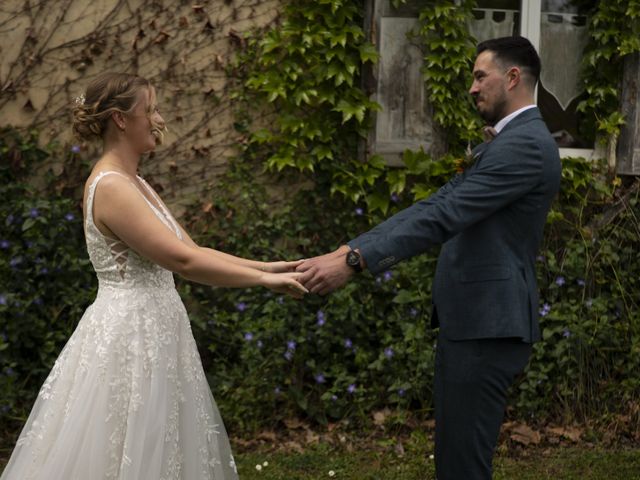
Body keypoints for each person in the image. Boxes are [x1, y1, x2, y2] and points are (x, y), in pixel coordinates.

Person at [1, 72, 307, 480]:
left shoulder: (137, 182)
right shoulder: (111, 186)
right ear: (121, 119)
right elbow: (183, 262)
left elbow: (192, 250)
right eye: (152, 109)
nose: (159, 119)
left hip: (158, 330)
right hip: (131, 337)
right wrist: (264, 283)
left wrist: (268, 266)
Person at [297, 36, 561, 480]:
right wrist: (349, 250)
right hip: (474, 324)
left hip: (487, 326)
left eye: (481, 76)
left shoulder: (526, 145)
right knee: (455, 459)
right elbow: (433, 205)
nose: (472, 87)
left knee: (462, 466)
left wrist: (355, 263)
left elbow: (444, 216)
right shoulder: (508, 142)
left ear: (512, 77)